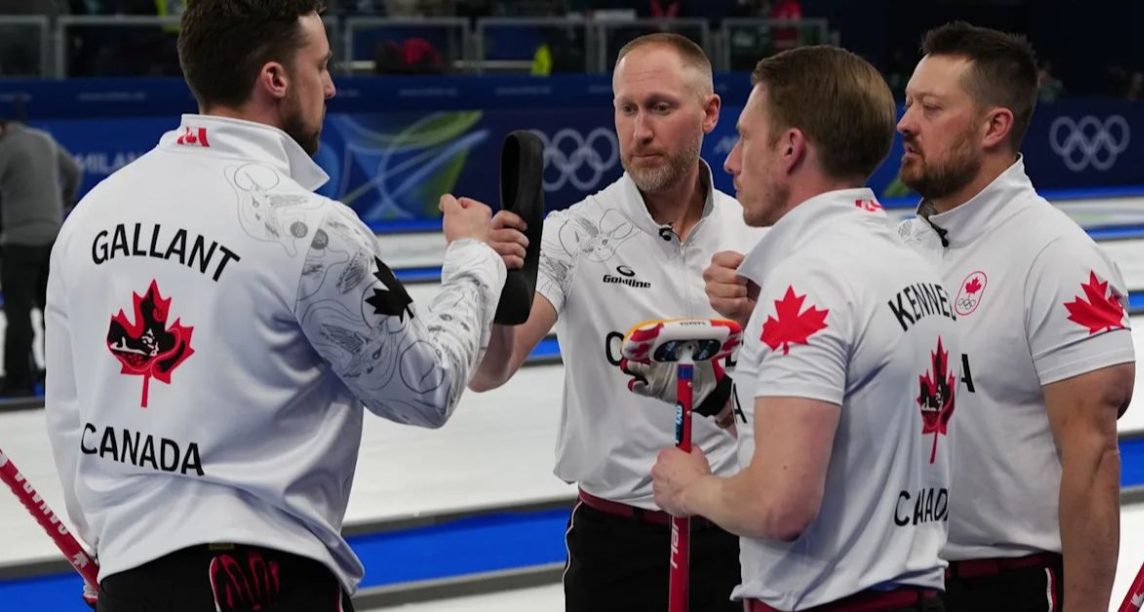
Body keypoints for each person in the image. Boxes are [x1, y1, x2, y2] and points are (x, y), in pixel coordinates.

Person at [44, 1, 523, 610]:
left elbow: (69, 416)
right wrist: (473, 257)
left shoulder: (90, 216)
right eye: (320, 66)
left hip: (129, 578)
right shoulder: (308, 229)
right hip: (263, 581)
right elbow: (425, 387)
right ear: (275, 79)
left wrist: (111, 553)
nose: (331, 85)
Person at [655, 46, 956, 611]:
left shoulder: (809, 284)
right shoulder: (912, 263)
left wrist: (690, 488)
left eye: (745, 139)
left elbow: (780, 506)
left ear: (790, 148)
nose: (731, 162)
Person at [469, 32, 759, 612]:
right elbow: (488, 371)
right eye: (627, 109)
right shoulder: (573, 235)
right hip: (615, 548)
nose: (640, 131)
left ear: (709, 113)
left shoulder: (756, 232)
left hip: (737, 536)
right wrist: (492, 286)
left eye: (660, 108)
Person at [893, 22, 1136, 612]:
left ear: (993, 127)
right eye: (908, 103)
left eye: (930, 108)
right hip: (900, 581)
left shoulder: (1060, 259)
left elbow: (1092, 461)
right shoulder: (897, 248)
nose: (905, 123)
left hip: (1008, 588)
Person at [0, 117, 80, 396]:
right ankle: (60, 379)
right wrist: (63, 202)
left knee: (19, 314)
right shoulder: (44, 140)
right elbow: (73, 171)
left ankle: (18, 380)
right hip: (54, 240)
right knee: (55, 314)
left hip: (19, 243)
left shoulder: (5, 149)